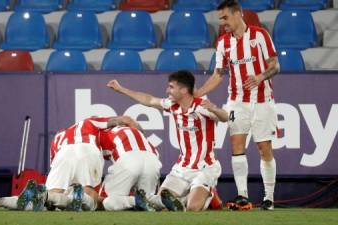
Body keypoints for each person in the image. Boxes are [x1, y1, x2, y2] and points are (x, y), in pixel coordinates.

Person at [196, 0, 280, 210]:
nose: (222, 22)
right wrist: (199, 93)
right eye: (220, 19)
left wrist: (260, 76)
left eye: (225, 17)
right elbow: (219, 74)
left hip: (262, 101)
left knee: (264, 148)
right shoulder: (223, 43)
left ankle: (268, 198)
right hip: (237, 101)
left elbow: (275, 65)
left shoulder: (260, 35)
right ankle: (243, 195)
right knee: (236, 146)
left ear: (237, 15)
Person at [107, 70, 228, 212]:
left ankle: (210, 194)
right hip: (182, 168)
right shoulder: (172, 105)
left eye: (171, 87)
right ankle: (183, 199)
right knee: (161, 203)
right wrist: (121, 89)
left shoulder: (201, 107)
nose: (167, 90)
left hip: (205, 168)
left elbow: (225, 117)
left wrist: (214, 109)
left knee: (192, 208)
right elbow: (149, 100)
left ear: (183, 90)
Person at [0, 116, 140, 211]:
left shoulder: (57, 138)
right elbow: (122, 120)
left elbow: (55, 163)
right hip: (88, 148)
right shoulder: (89, 122)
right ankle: (78, 194)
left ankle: (1, 201)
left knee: (49, 198)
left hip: (63, 153)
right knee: (91, 197)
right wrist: (137, 130)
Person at [98, 125, 162, 211]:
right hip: (153, 159)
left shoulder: (101, 133)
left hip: (128, 158)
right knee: (148, 198)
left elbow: (98, 158)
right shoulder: (132, 129)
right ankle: (162, 201)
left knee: (107, 201)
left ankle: (135, 201)